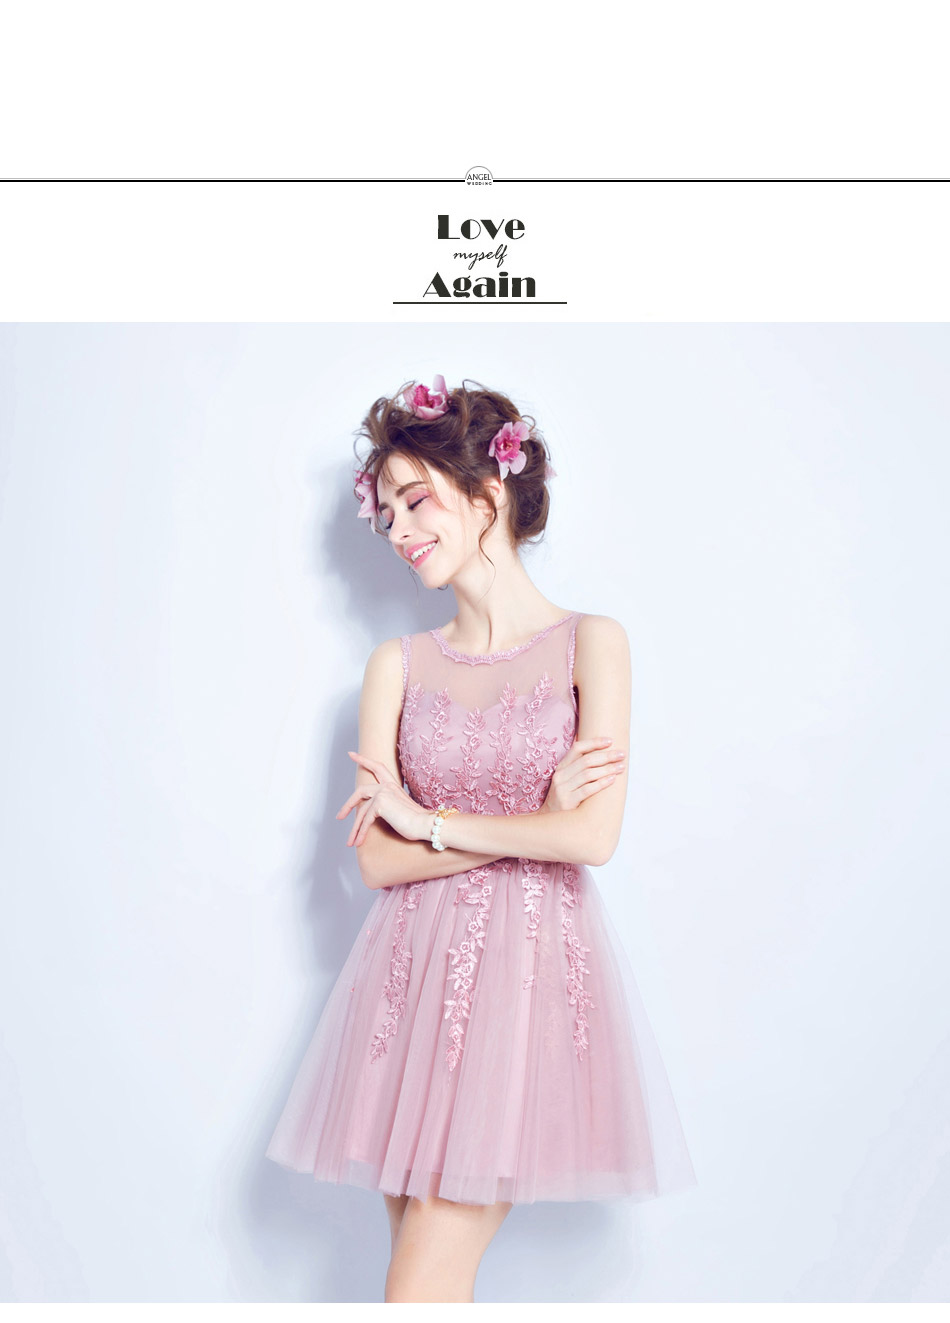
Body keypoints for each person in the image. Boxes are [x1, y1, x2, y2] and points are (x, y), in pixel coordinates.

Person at [265, 375, 697, 1303]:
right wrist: (531, 821)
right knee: (427, 1286)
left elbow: (592, 836)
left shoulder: (593, 644)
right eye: (385, 512)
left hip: (523, 983)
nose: (397, 528)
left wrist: (432, 821)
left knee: (418, 1285)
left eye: (415, 500)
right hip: (402, 988)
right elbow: (376, 859)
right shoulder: (395, 667)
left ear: (488, 492)